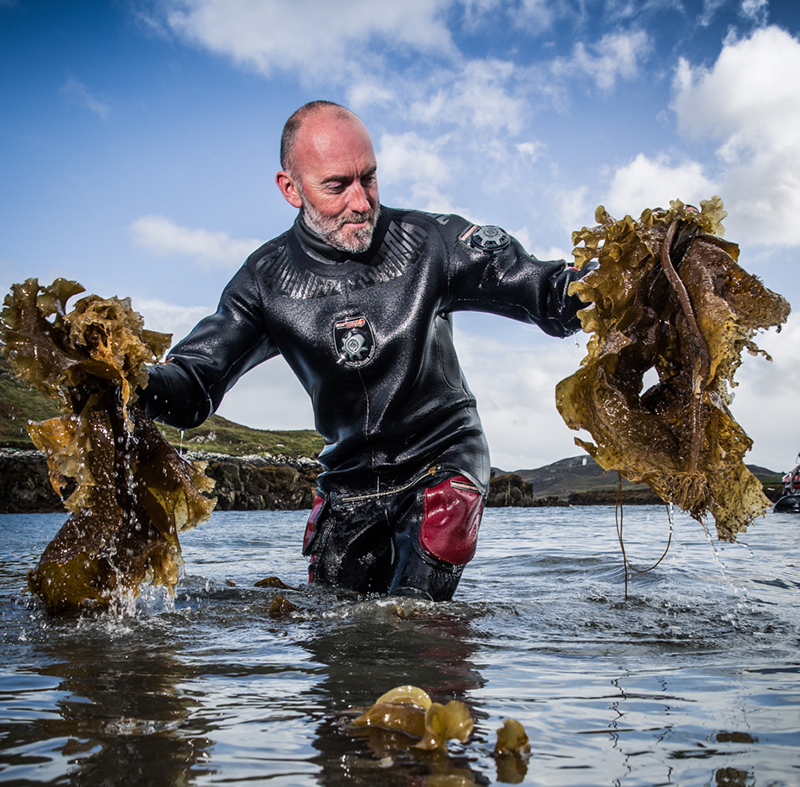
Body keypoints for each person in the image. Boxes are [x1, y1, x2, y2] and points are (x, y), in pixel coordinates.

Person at [139, 100, 590, 601]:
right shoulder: (263, 282)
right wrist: (126, 382)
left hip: (441, 460)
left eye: (369, 179)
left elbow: (549, 295)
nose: (360, 202)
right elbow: (193, 386)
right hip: (348, 484)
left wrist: (614, 281)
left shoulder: (432, 242)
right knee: (335, 636)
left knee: (411, 622)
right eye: (337, 186)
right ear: (290, 188)